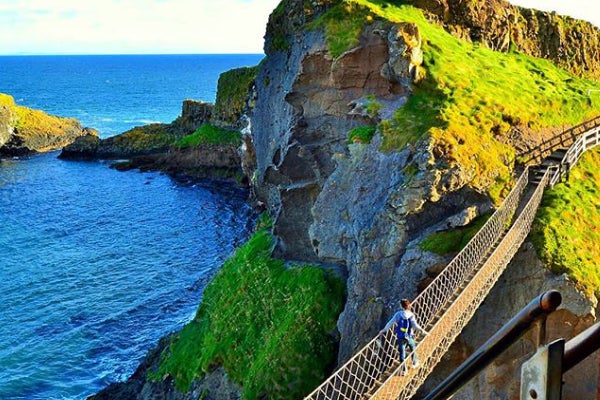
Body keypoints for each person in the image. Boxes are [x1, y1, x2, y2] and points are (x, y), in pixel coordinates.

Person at [381, 298, 428, 375]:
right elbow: (415, 326)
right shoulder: (411, 314)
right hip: (409, 336)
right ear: (409, 305)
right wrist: (422, 331)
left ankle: (404, 370)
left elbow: (391, 322)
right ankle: (415, 363)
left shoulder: (398, 314)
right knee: (413, 348)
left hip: (401, 336)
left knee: (402, 353)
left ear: (401, 306)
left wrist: (384, 330)